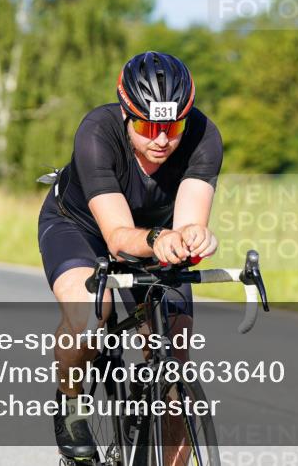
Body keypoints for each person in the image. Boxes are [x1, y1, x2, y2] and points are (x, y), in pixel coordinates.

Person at [37, 51, 223, 461]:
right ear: (125, 113)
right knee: (89, 314)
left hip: (156, 235)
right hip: (81, 228)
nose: (161, 139)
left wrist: (194, 237)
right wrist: (159, 237)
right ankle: (69, 400)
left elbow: (190, 218)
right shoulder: (96, 132)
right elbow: (118, 236)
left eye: (172, 126)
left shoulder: (204, 136)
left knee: (175, 351)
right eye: (147, 126)